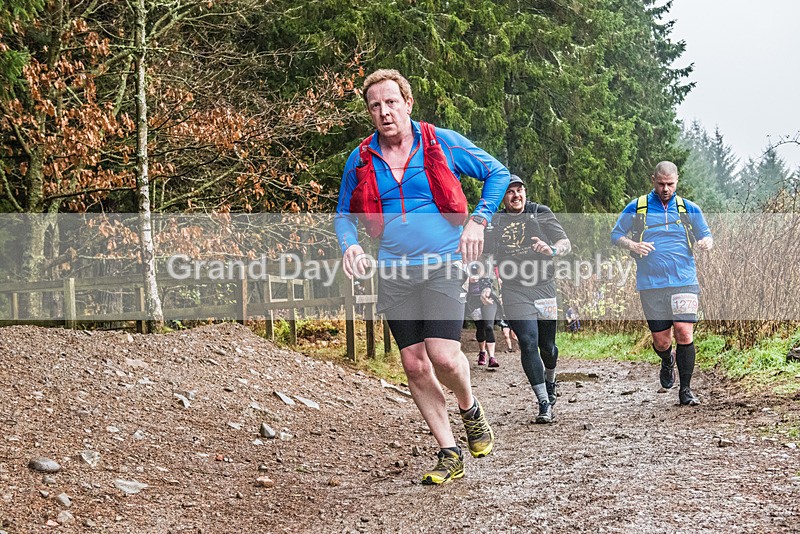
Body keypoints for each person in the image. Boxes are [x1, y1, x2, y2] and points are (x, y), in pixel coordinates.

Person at [334, 69, 510, 485]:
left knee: (444, 356)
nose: (384, 111)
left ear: (407, 103)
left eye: (391, 102)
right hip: (394, 272)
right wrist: (351, 245)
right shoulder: (360, 159)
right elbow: (343, 214)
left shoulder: (439, 141)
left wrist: (478, 221)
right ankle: (448, 452)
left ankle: (470, 408)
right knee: (413, 364)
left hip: (444, 264)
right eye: (375, 105)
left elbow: (497, 174)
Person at [611, 161, 713, 406]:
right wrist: (632, 245)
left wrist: (707, 242)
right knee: (662, 341)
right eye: (661, 184)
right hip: (651, 283)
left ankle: (686, 390)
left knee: (684, 332)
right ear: (653, 180)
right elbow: (616, 235)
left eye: (670, 184)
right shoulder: (638, 207)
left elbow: (705, 234)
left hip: (683, 280)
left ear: (677, 181)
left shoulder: (689, 208)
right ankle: (667, 360)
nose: (666, 189)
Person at [485, 174, 571, 424]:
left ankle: (551, 379)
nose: (516, 196)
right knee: (527, 341)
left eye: (519, 190)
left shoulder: (539, 212)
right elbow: (486, 257)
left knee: (548, 347)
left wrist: (551, 250)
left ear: (525, 192)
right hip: (514, 290)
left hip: (543, 287)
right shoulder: (495, 222)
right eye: (510, 192)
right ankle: (543, 402)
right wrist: (487, 284)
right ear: (504, 197)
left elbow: (565, 243)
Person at [465, 264, 500, 367]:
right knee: (480, 328)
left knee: (489, 326)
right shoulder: (464, 266)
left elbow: (491, 281)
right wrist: (467, 280)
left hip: (489, 299)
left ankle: (492, 358)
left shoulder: (486, 264)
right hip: (473, 302)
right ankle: (482, 352)